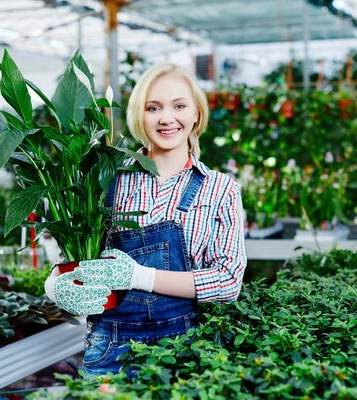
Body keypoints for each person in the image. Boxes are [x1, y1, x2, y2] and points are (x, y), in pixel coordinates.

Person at [44, 62, 247, 376]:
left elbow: (228, 281)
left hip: (184, 351)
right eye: (154, 108)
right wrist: (54, 286)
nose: (167, 118)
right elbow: (70, 258)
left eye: (179, 106)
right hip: (110, 349)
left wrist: (140, 277)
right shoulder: (108, 179)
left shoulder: (219, 188)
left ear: (196, 114)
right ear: (140, 115)